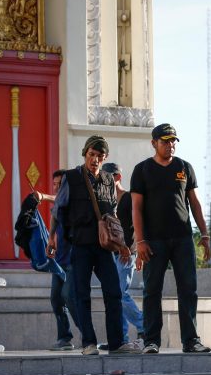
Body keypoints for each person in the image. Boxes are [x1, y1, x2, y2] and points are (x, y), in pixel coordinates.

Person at [48, 135, 138, 355]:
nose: (95, 159)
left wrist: (122, 243)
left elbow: (113, 214)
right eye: (92, 155)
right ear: (85, 154)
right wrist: (52, 237)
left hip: (105, 247)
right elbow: (58, 210)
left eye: (100, 155)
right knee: (81, 294)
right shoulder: (71, 177)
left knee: (114, 292)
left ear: (104, 157)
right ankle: (88, 343)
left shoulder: (108, 179)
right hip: (80, 244)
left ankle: (117, 343)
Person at [131, 123, 211, 354]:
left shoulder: (184, 167)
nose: (170, 145)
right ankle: (151, 340)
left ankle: (191, 340)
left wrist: (204, 234)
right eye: (165, 141)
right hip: (153, 240)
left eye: (173, 141)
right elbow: (136, 208)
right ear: (154, 143)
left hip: (183, 238)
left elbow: (194, 203)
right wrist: (140, 240)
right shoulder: (142, 169)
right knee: (152, 289)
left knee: (188, 288)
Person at [102, 162, 144, 349]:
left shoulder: (128, 198)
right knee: (115, 294)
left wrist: (135, 251)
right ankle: (121, 338)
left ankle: (144, 327)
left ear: (117, 177)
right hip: (112, 251)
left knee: (120, 293)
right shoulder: (107, 201)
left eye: (108, 177)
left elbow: (138, 225)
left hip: (127, 252)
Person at [40, 170, 80, 351]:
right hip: (60, 259)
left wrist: (42, 196)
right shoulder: (58, 206)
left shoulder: (74, 200)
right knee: (56, 299)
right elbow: (54, 217)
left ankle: (88, 334)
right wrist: (51, 239)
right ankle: (64, 338)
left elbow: (57, 200)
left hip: (74, 258)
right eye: (54, 185)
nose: (57, 188)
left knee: (69, 297)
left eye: (60, 184)